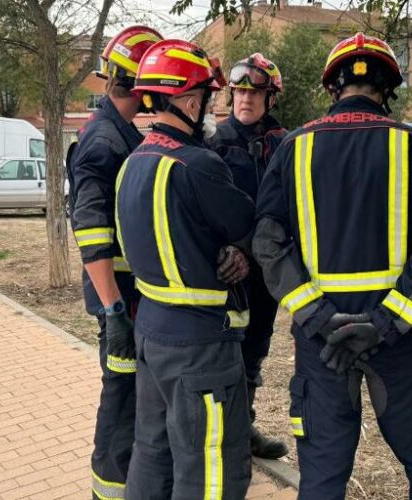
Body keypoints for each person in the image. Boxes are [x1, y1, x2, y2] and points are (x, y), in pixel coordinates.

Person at [252, 32, 412, 499]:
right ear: (389, 88)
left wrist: (320, 319)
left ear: (332, 87)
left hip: (322, 345)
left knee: (323, 478)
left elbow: (268, 246)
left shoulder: (293, 149)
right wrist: (386, 325)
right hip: (400, 341)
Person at [116, 38, 255, 500]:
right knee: (212, 469)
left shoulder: (131, 164)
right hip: (201, 346)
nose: (213, 109)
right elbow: (244, 221)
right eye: (210, 99)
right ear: (191, 101)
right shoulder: (197, 164)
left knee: (153, 453)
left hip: (151, 333)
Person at [66, 25, 163, 500]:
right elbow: (90, 231)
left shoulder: (117, 131)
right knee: (121, 397)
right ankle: (110, 491)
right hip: (120, 300)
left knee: (131, 396)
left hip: (125, 296)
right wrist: (114, 310)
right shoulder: (105, 140)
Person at [208, 53, 289, 459]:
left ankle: (244, 428)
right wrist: (229, 250)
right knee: (226, 352)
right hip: (229, 275)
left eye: (255, 93)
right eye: (240, 91)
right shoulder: (214, 144)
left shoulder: (284, 145)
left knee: (256, 348)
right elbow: (203, 210)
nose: (246, 99)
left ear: (269, 99)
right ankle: (223, 434)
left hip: (267, 271)